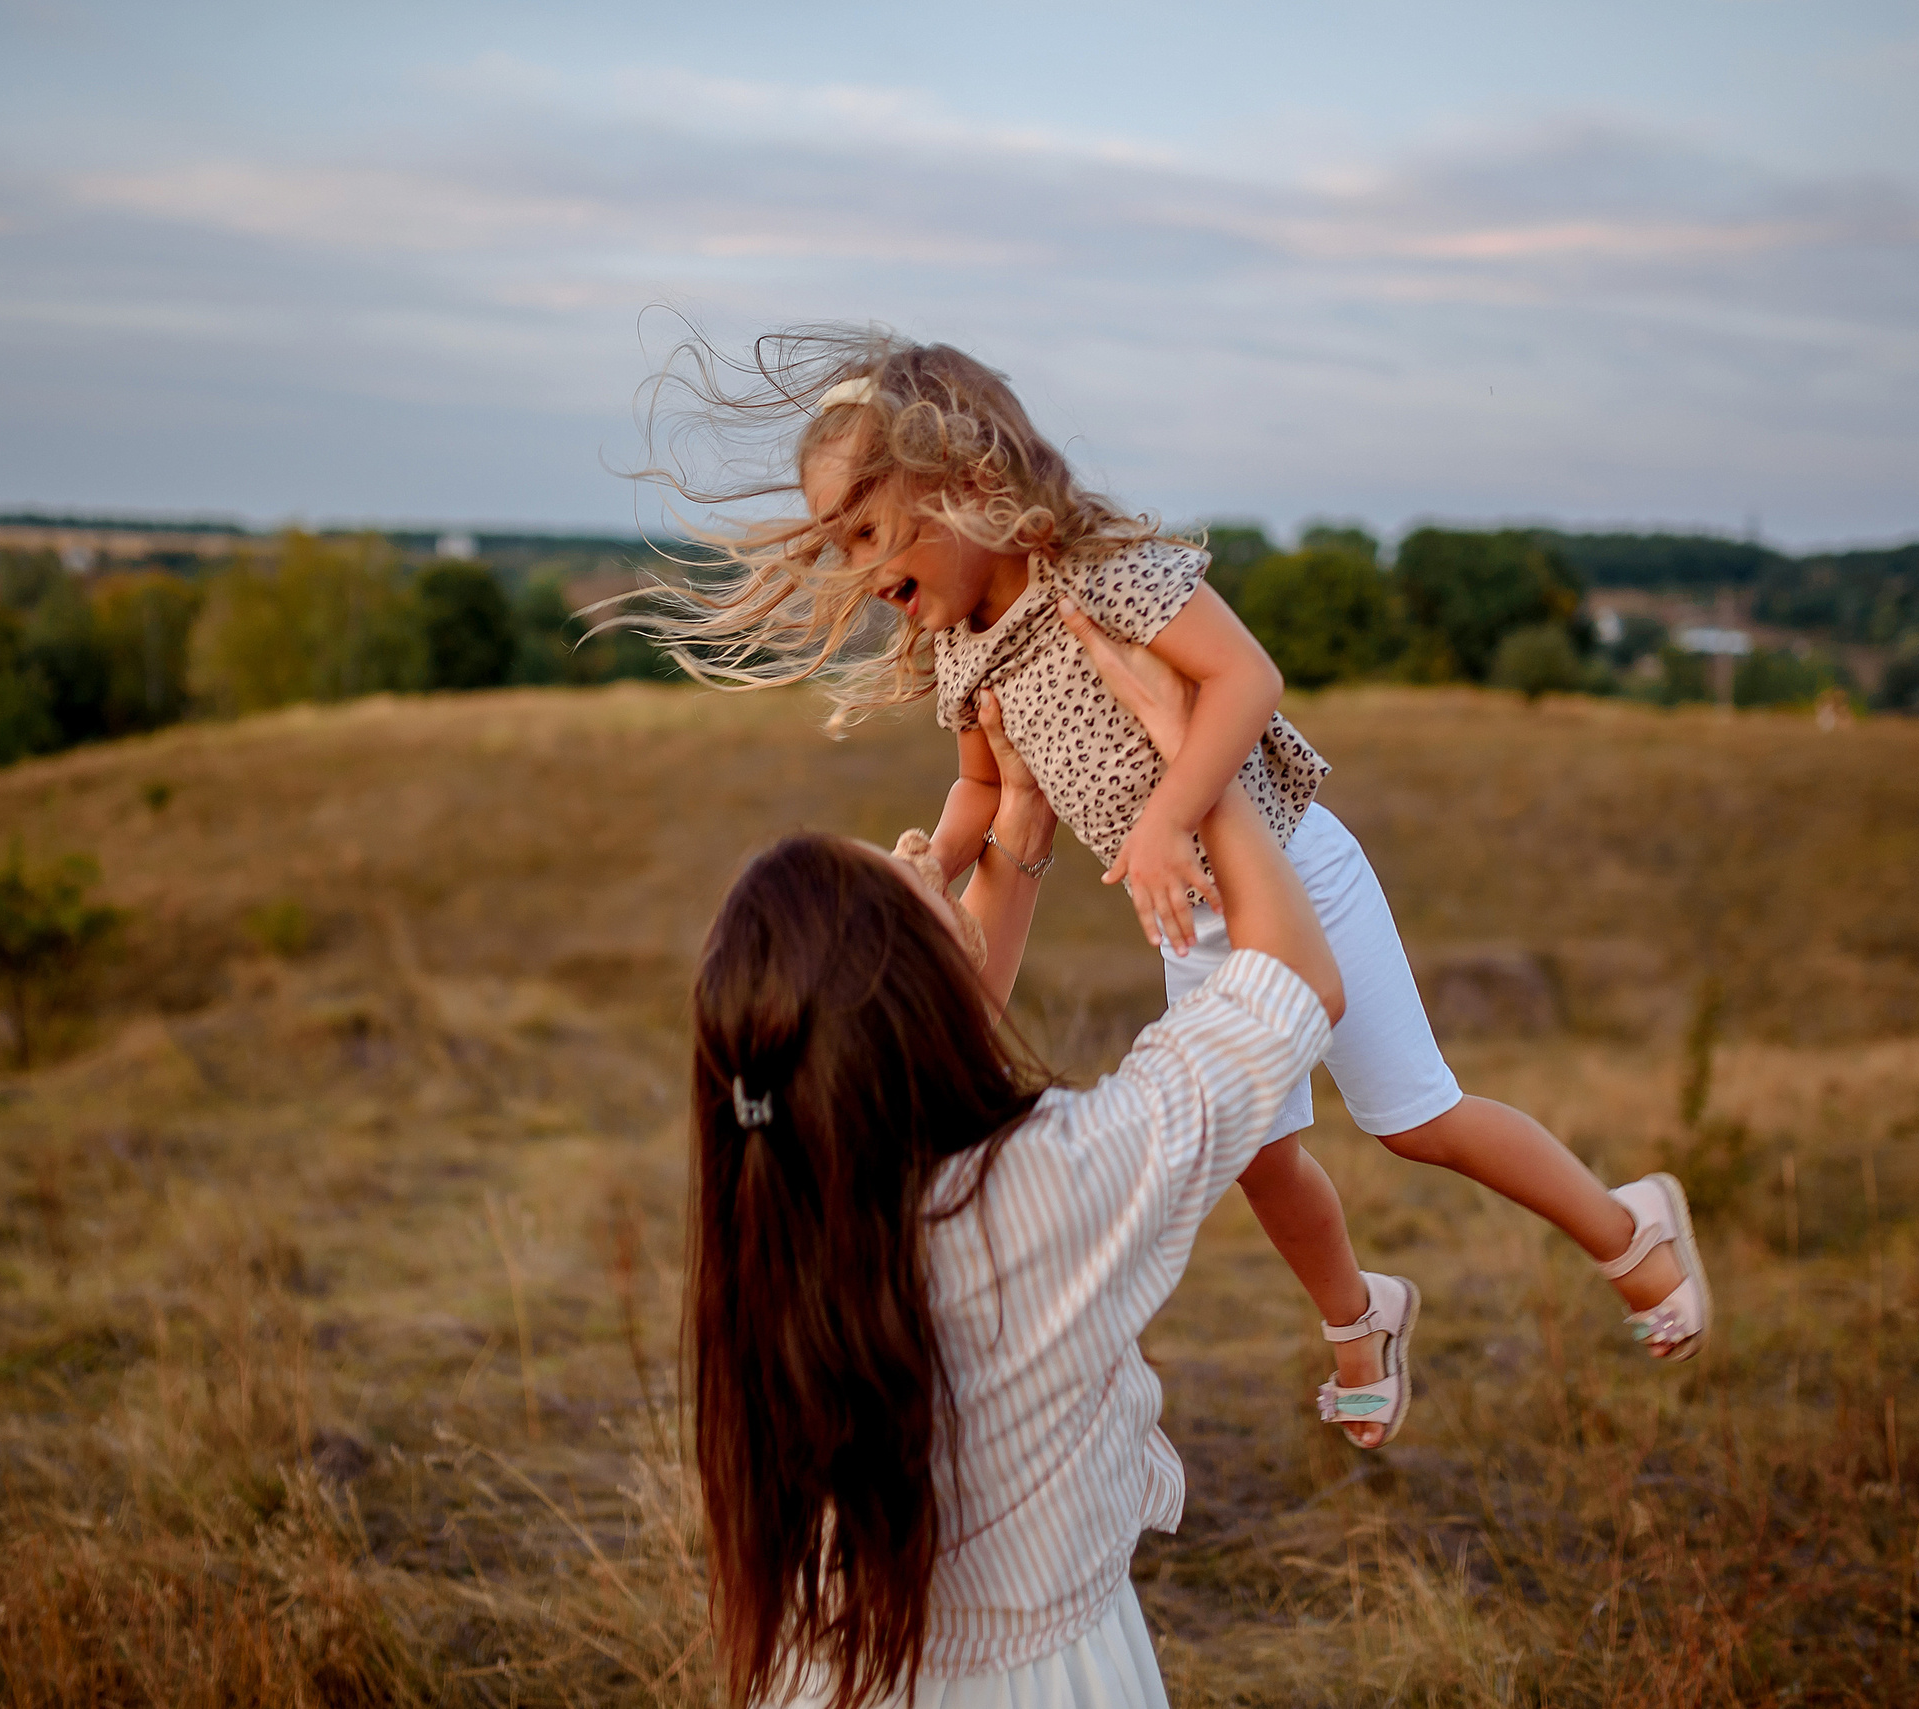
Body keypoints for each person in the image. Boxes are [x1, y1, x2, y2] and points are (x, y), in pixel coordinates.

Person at [637, 328, 1711, 1449]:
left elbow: (1246, 677)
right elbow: (978, 787)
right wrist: (918, 878)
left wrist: (1160, 816)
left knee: (1415, 1121)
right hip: (1182, 912)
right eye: (838, 546)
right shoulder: (963, 647)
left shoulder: (1098, 570)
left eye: (866, 531)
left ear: (963, 484)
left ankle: (1626, 1228)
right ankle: (1360, 1311)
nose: (859, 572)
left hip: (1291, 867)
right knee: (1251, 1145)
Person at [688, 685, 1348, 1709]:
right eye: (904, 874)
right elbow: (1294, 978)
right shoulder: (1050, 1184)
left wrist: (1019, 817)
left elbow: (921, 1074)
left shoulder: (778, 1198)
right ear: (902, 995)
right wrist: (1195, 761)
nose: (921, 850)